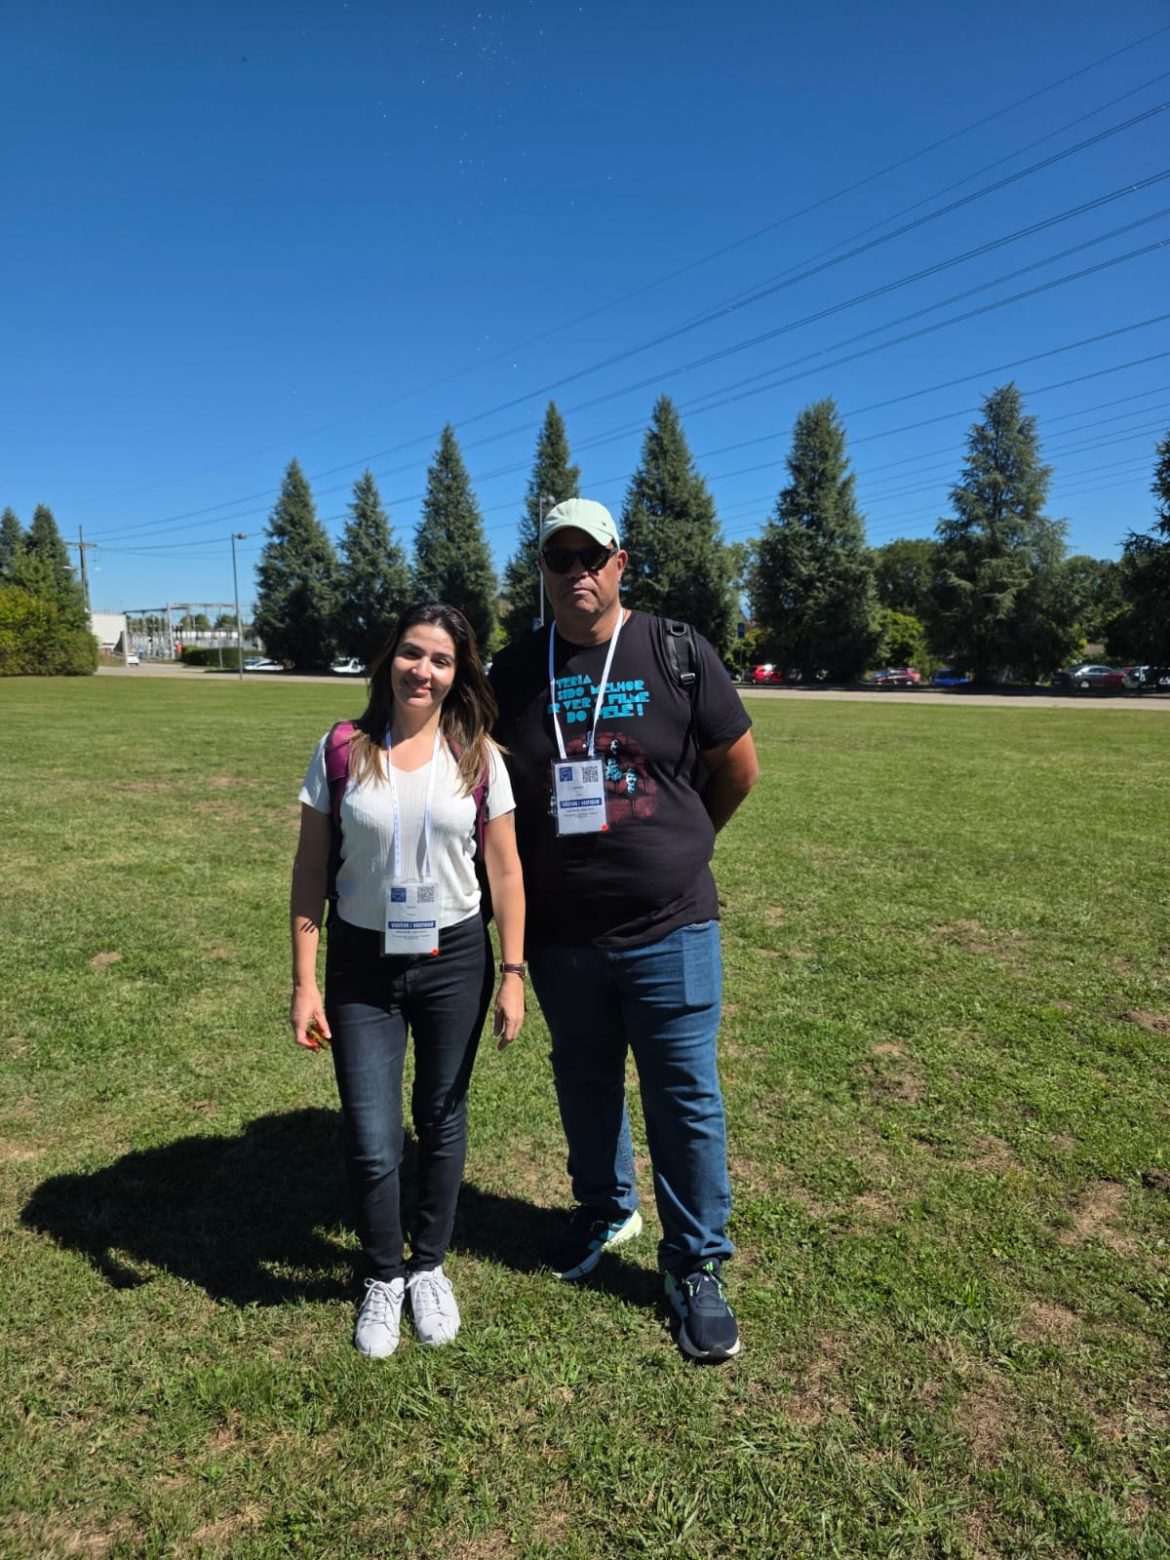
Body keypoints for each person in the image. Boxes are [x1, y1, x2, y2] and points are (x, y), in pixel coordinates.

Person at [490, 499, 759, 1361]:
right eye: (559, 557)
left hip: (671, 926)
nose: (576, 571)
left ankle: (696, 1266)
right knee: (585, 1084)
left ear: (620, 563)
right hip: (565, 937)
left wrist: (680, 847)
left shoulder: (676, 651)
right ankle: (606, 1211)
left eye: (591, 556)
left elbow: (739, 768)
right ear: (543, 568)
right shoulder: (515, 670)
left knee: (684, 1097)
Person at [289, 603, 526, 1359]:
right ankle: (384, 1277)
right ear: (388, 658)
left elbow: (506, 871)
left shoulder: (480, 757)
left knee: (442, 1115)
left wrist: (514, 973)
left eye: (442, 660)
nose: (423, 671)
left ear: (460, 675)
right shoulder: (342, 749)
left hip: (455, 958)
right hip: (361, 964)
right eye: (412, 654)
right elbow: (307, 871)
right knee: (368, 1135)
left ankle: (429, 1266)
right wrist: (304, 979)